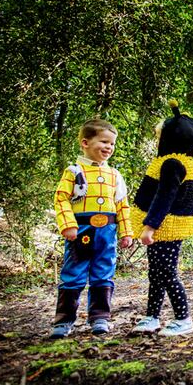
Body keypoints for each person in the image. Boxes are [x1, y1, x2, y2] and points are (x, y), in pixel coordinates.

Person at [50, 119, 133, 339]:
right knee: (73, 274)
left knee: (103, 274)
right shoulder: (73, 171)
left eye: (112, 144)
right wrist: (68, 225)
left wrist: (126, 232)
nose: (109, 147)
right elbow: (61, 199)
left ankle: (100, 318)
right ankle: (64, 320)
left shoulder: (115, 175)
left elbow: (122, 205)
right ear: (85, 142)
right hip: (81, 230)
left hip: (107, 232)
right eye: (104, 141)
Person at [131, 100, 193, 336]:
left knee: (167, 273)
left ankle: (183, 318)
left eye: (160, 136)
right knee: (156, 273)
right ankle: (152, 316)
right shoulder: (179, 162)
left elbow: (166, 197)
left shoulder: (172, 164)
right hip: (164, 227)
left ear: (171, 139)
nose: (157, 140)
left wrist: (149, 226)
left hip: (165, 228)